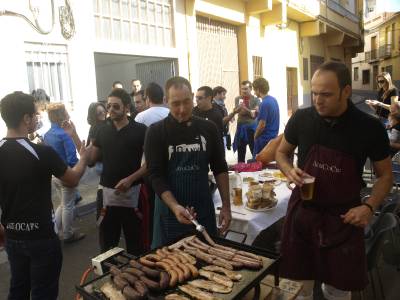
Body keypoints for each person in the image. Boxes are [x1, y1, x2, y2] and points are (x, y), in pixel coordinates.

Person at [275, 61, 393, 300]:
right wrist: (289, 170)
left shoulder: (369, 128)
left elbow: (386, 176)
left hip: (344, 220)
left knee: (337, 292)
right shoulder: (302, 118)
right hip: (303, 216)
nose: (318, 100)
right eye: (315, 93)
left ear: (346, 91)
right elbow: (280, 153)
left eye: (326, 94)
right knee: (297, 290)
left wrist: (369, 207)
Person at [0, 92, 87, 300]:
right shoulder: (41, 152)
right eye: (34, 115)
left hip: (12, 236)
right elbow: (73, 179)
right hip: (42, 238)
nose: (37, 119)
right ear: (26, 119)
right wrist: (83, 156)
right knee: (44, 292)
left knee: (18, 289)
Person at [145, 76, 231, 248]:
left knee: (209, 261)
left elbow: (220, 168)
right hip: (170, 212)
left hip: (203, 208)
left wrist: (226, 207)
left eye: (186, 102)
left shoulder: (208, 129)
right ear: (166, 101)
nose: (182, 109)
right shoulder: (156, 132)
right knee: (171, 268)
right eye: (176, 104)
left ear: (192, 97)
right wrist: (175, 206)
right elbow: (155, 175)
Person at [88, 88, 147, 255]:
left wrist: (131, 179)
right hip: (107, 194)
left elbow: (151, 163)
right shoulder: (102, 130)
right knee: (107, 242)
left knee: (135, 240)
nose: (111, 110)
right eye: (109, 106)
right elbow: (92, 159)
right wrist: (75, 138)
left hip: (133, 193)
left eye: (116, 106)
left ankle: (137, 277)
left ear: (127, 108)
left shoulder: (140, 130)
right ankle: (109, 276)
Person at [44, 103, 86, 243]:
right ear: (61, 114)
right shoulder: (65, 134)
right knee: (68, 205)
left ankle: (54, 230)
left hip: (53, 175)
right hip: (66, 173)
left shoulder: (48, 134)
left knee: (63, 204)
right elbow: (72, 158)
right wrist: (77, 171)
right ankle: (67, 234)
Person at [233, 80, 260, 162]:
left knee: (254, 152)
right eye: (242, 89)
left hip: (251, 129)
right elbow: (239, 111)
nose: (243, 91)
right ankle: (241, 170)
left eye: (246, 89)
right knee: (241, 152)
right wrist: (250, 111)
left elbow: (255, 114)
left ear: (250, 89)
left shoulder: (256, 99)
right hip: (241, 128)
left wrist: (246, 110)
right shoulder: (238, 98)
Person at [252, 78, 280, 155]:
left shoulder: (264, 104)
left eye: (254, 90)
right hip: (273, 137)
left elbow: (262, 125)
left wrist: (255, 136)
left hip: (264, 139)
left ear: (258, 90)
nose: (254, 93)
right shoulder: (273, 100)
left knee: (258, 164)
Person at [213, 86, 234, 150]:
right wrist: (233, 113)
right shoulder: (213, 106)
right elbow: (220, 121)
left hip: (224, 133)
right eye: (223, 94)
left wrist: (229, 118)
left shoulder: (221, 105)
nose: (225, 97)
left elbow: (224, 116)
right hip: (218, 135)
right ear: (217, 94)